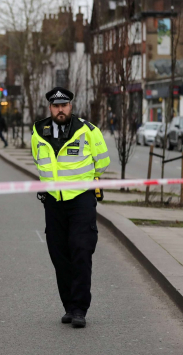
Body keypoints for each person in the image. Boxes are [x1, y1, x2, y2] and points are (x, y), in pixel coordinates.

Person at [31, 87, 110, 328]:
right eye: (56, 106)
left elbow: (102, 161)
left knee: (81, 250)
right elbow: (38, 161)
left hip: (81, 199)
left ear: (71, 106)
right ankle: (68, 306)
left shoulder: (87, 130)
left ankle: (79, 309)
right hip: (53, 202)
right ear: (50, 108)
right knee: (59, 254)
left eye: (64, 105)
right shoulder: (38, 132)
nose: (60, 110)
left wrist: (88, 181)